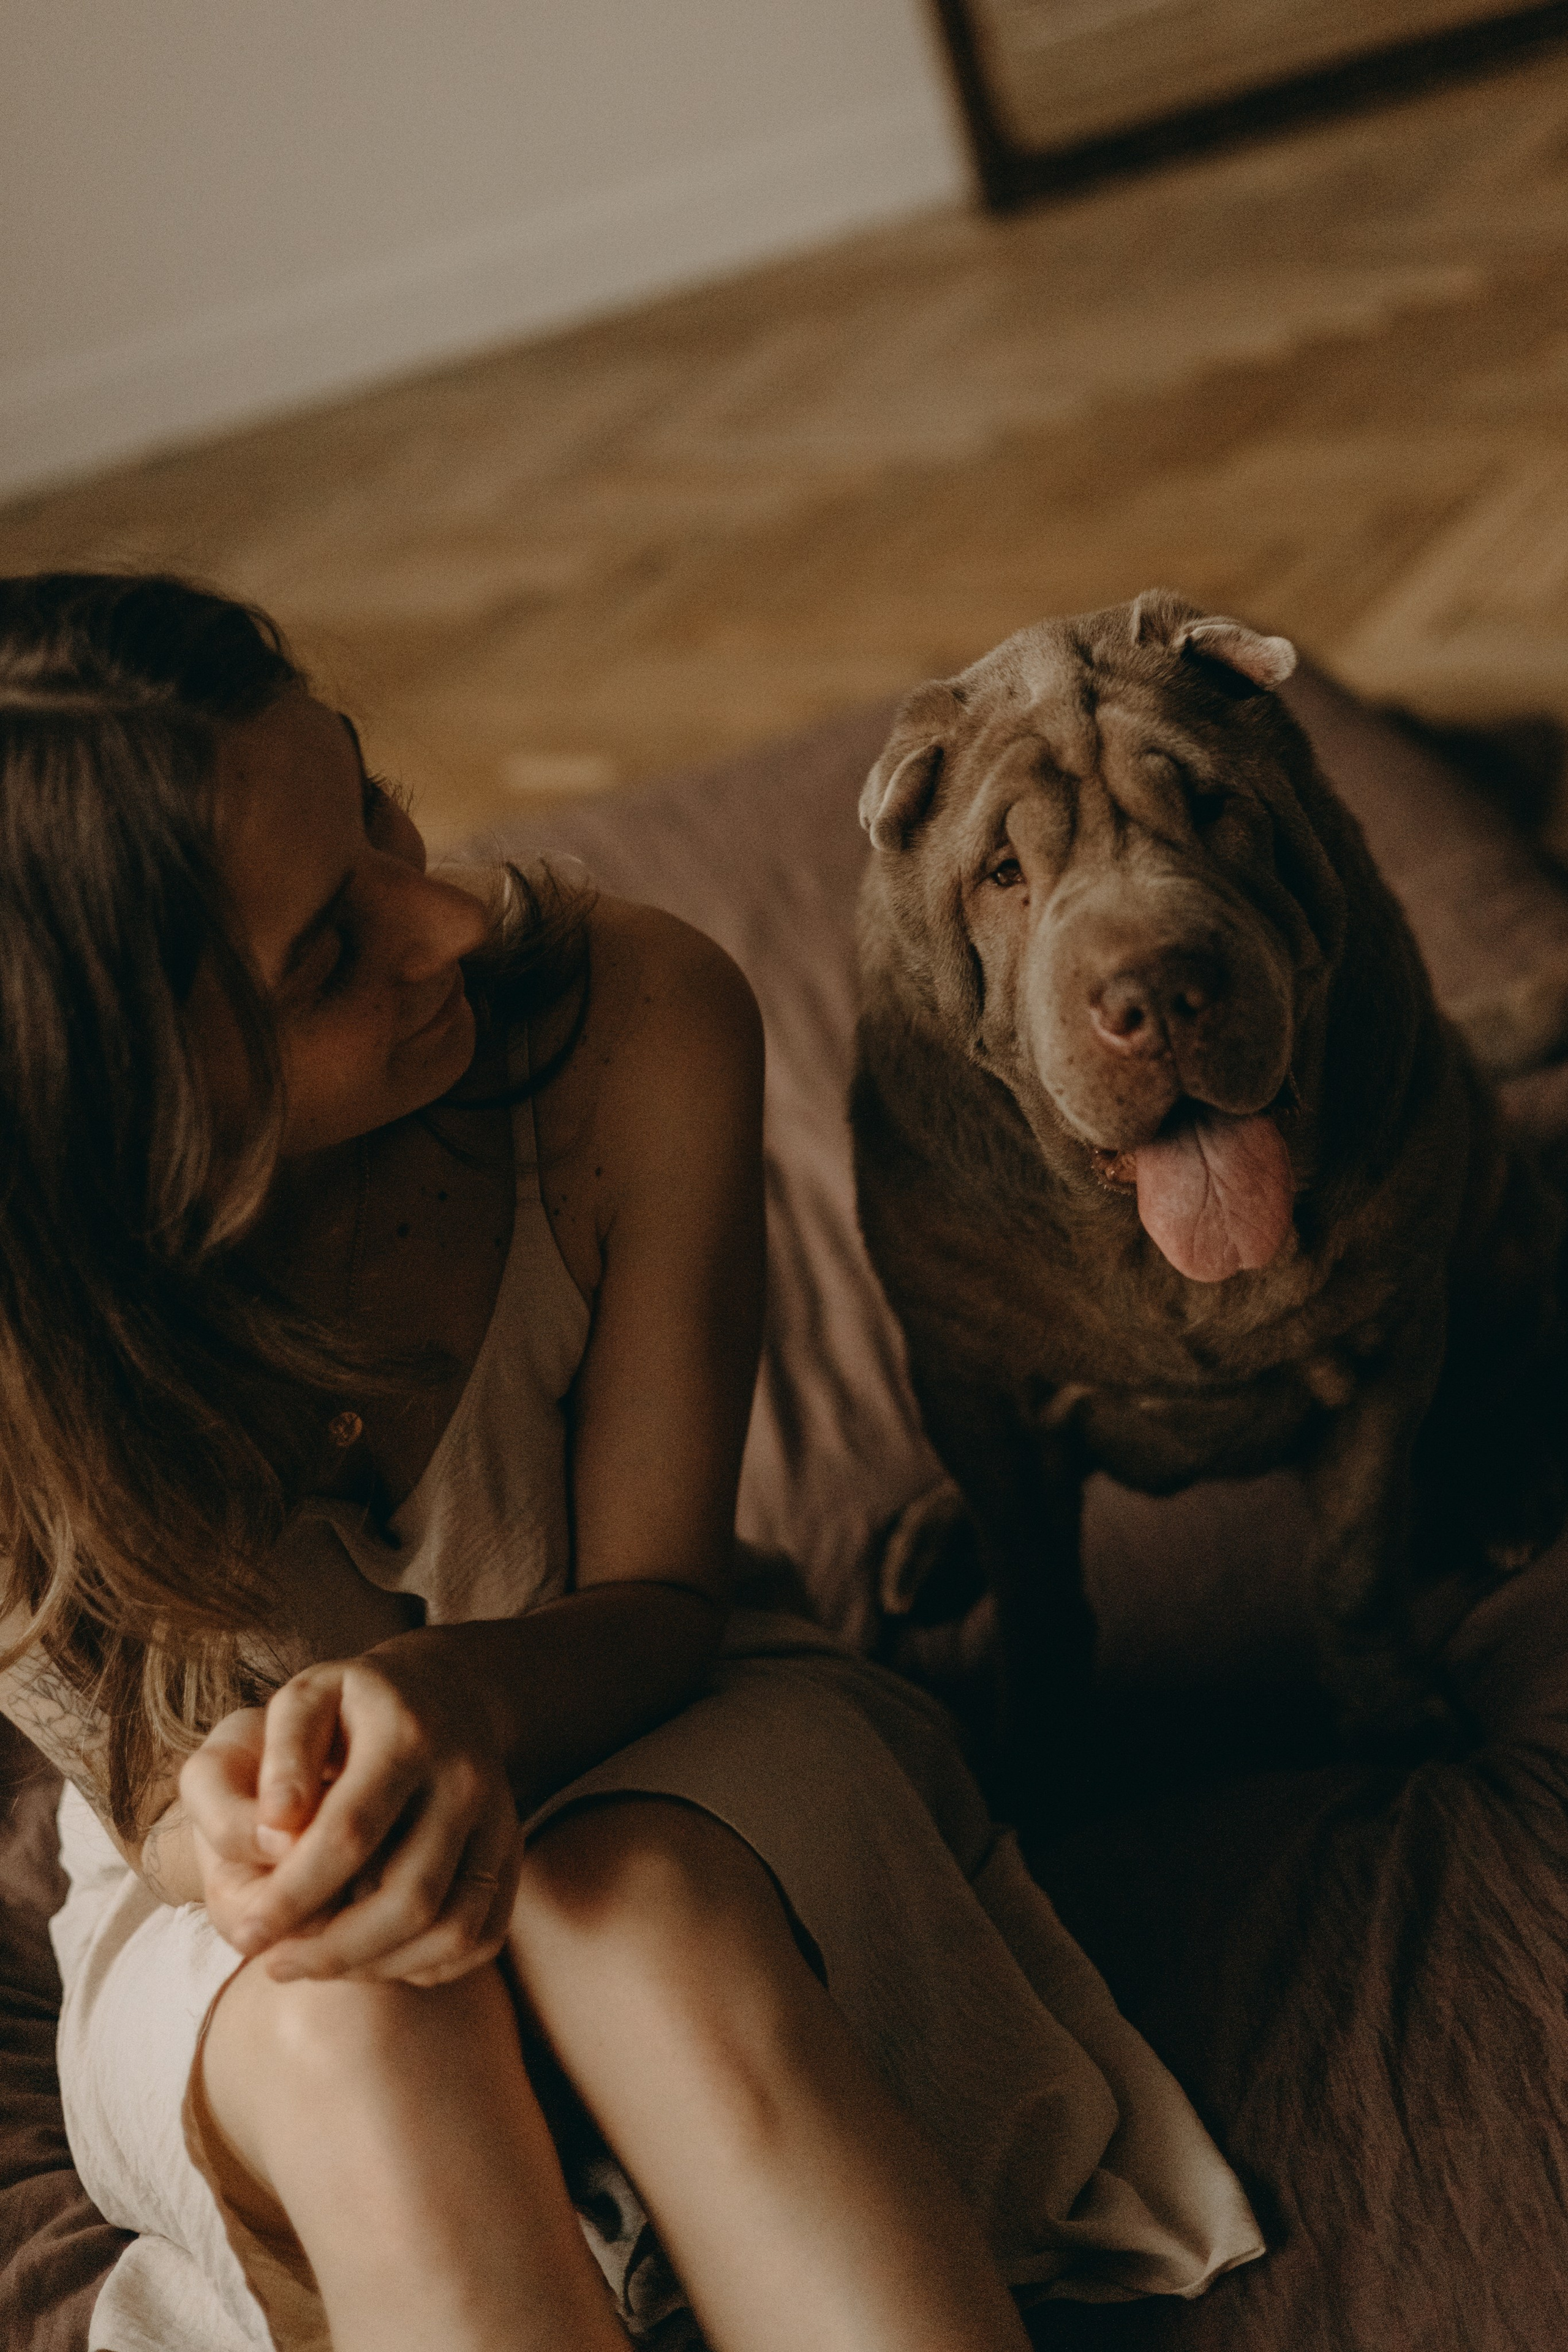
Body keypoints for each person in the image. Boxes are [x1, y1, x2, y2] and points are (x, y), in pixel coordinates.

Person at [0, 573, 1261, 2352]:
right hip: (224, 1902)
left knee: (632, 1918)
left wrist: (460, 1701)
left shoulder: (625, 1015)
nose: (437, 917)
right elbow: (147, 1787)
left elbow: (663, 1604)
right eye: (325, 960)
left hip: (664, 1721)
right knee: (357, 2027)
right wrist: (259, 1841)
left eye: (370, 805)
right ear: (120, 1123)